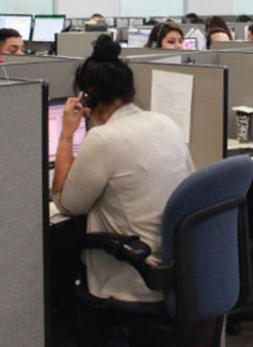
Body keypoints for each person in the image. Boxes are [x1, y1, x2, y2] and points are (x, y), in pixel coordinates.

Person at [53, 34, 195, 304]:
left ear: (90, 96)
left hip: (138, 269)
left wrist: (67, 134)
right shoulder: (164, 121)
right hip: (181, 263)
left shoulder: (103, 139)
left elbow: (66, 205)